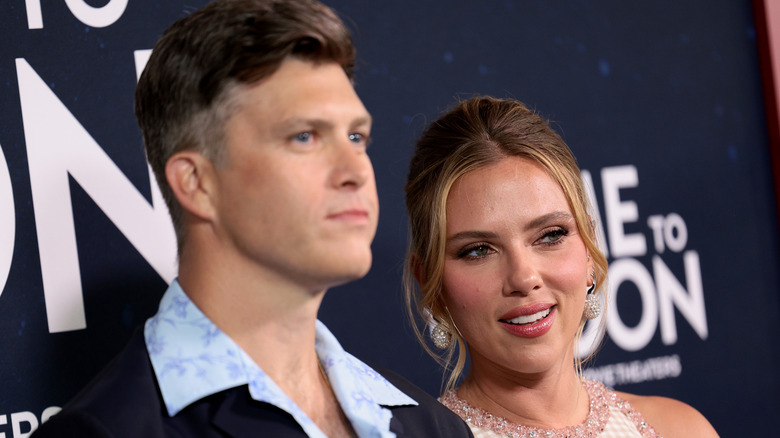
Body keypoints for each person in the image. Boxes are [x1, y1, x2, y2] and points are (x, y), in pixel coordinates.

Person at [32, 1, 474, 437]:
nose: (356, 170)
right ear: (197, 183)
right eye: (305, 136)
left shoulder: (433, 427)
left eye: (356, 136)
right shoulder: (109, 432)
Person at [403, 96, 719, 438]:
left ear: (589, 247)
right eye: (479, 250)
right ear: (429, 282)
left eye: (551, 235)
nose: (524, 277)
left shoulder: (679, 429)